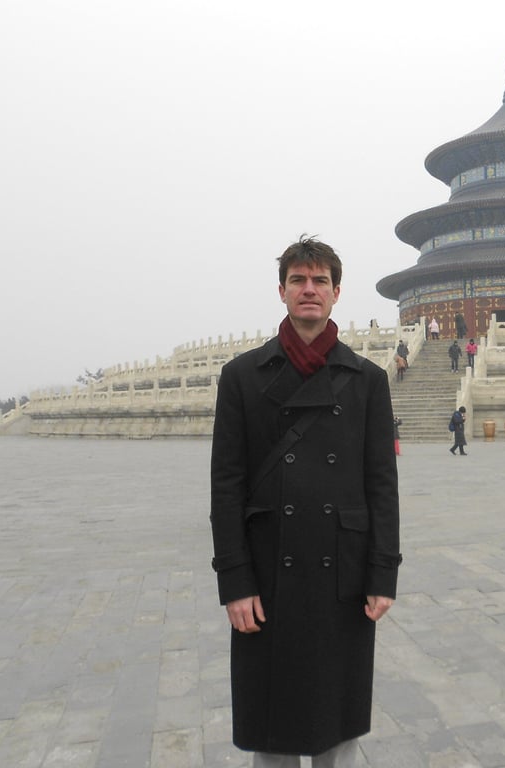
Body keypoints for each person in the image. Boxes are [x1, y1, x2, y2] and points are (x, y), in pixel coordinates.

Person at [209, 236, 402, 767]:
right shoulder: (243, 377)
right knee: (272, 727)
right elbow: (225, 486)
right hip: (268, 573)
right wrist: (235, 582)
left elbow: (381, 484)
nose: (309, 290)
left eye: (320, 281)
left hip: (342, 572)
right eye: (299, 280)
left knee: (336, 721)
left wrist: (383, 574)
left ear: (337, 293)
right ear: (282, 291)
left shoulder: (366, 380)